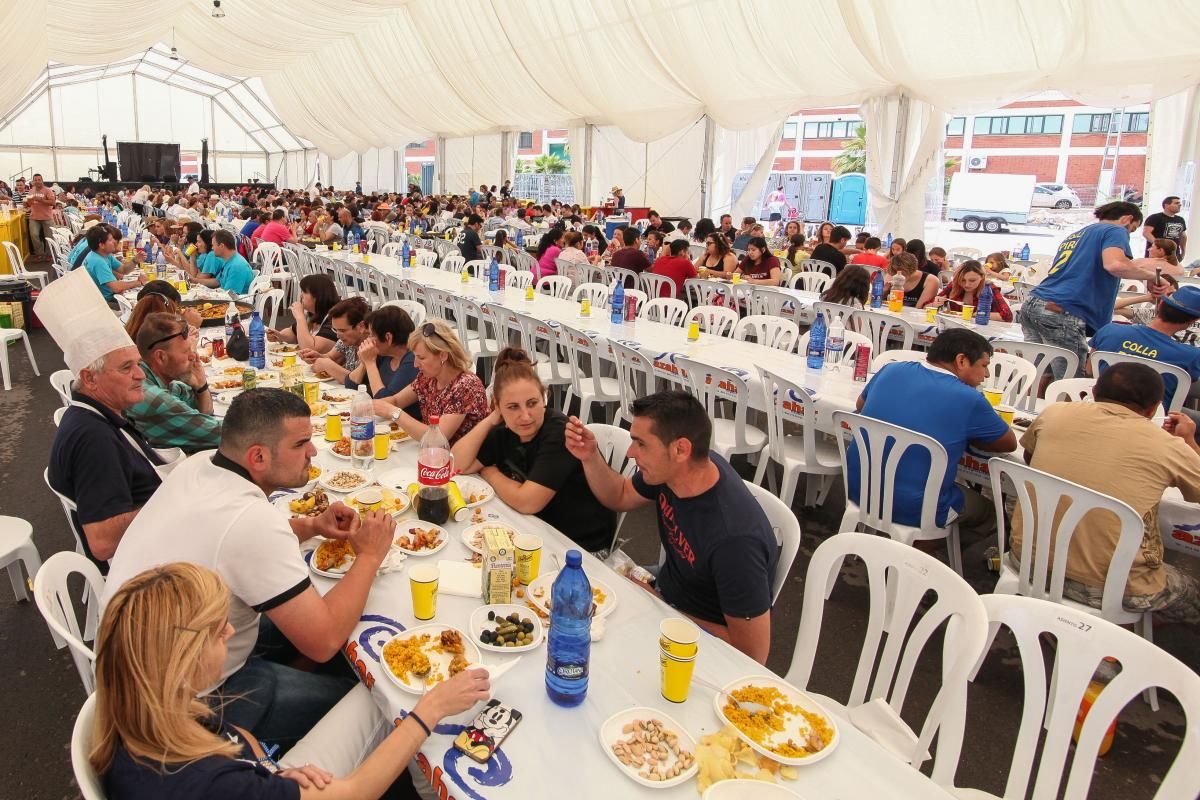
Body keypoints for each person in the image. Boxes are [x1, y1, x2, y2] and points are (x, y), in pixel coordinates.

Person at [102, 389, 400, 751]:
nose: (313, 451)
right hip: (185, 709)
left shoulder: (200, 466)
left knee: (327, 629)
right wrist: (369, 556)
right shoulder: (251, 521)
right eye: (302, 443)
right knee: (369, 696)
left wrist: (310, 527)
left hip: (134, 668)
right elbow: (323, 641)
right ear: (257, 456)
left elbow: (229, 544)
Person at [91, 562, 491, 799]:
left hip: (267, 775)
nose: (230, 632)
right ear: (180, 658)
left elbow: (230, 732)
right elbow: (354, 794)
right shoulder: (211, 784)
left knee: (378, 692)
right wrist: (431, 709)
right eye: (216, 631)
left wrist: (268, 767)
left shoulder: (147, 706)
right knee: (398, 704)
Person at [563, 391, 776, 663]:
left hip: (697, 644)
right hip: (665, 590)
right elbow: (620, 495)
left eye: (640, 444)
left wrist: (660, 606)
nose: (630, 453)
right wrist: (590, 456)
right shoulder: (678, 472)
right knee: (573, 600)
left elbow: (752, 654)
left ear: (680, 449)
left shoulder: (735, 542)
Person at [1015, 363, 1200, 623]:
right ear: (1153, 408)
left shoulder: (1054, 413)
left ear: (1093, 391)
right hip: (1113, 587)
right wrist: (1189, 440)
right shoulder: (1169, 446)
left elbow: (1029, 457)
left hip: (1025, 560)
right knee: (1192, 591)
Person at [42, 271, 166, 570]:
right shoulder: (93, 439)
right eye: (126, 368)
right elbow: (102, 542)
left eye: (138, 364)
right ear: (90, 378)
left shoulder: (98, 413)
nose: (140, 375)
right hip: (141, 568)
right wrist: (176, 503)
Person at [852, 328, 1017, 537]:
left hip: (859, 487)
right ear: (962, 361)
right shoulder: (969, 398)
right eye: (984, 366)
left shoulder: (890, 370)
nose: (986, 375)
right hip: (917, 508)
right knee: (994, 516)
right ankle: (927, 550)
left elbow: (861, 404)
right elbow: (1009, 444)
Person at [452, 348, 618, 554]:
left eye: (532, 403)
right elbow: (456, 464)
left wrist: (489, 472)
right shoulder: (503, 429)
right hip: (535, 528)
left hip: (579, 547)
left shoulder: (559, 432)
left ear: (544, 398)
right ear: (498, 406)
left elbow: (527, 502)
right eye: (513, 407)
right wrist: (492, 419)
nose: (525, 416)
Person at [1022, 201, 1178, 378]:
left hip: (1035, 303)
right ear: (1128, 219)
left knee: (1039, 376)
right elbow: (1115, 264)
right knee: (1070, 382)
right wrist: (1152, 276)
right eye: (1132, 229)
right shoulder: (1116, 230)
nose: (1128, 234)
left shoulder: (1078, 234)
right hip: (1060, 309)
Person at [373, 320, 488, 445]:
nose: (415, 364)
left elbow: (437, 438)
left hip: (457, 459)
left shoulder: (466, 386)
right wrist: (362, 407)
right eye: (415, 357)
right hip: (431, 453)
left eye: (421, 358)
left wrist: (394, 412)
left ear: (443, 356)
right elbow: (396, 400)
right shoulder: (428, 377)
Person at [1090, 285, 1200, 412]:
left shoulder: (1109, 331)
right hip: (1156, 419)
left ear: (1160, 305)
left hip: (1102, 408)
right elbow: (1183, 389)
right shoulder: (1191, 356)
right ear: (1194, 320)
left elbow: (1090, 369)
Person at [126, 312, 222, 454]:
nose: (194, 356)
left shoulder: (158, 379)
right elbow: (221, 435)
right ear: (160, 357)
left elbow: (202, 415)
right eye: (186, 351)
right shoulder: (152, 398)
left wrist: (201, 387)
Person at [345, 305, 420, 419]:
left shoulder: (413, 361)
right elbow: (351, 385)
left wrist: (370, 363)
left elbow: (384, 402)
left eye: (371, 335)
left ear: (388, 338)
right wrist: (365, 363)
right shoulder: (384, 354)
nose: (368, 340)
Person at [269, 273, 339, 354]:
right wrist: (279, 336)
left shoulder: (335, 319)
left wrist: (300, 317)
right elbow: (293, 333)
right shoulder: (312, 313)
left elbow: (311, 350)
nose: (301, 295)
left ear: (317, 296)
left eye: (304, 292)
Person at [304, 297, 369, 385]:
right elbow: (331, 357)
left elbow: (355, 381)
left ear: (361, 326)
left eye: (342, 330)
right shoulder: (347, 340)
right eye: (335, 330)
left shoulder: (372, 345)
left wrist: (327, 365)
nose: (338, 335)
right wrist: (317, 356)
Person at [82, 223, 146, 303]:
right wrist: (138, 283)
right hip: (106, 303)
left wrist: (135, 261)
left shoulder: (103, 254)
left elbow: (123, 270)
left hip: (109, 297)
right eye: (110, 240)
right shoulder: (98, 261)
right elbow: (117, 287)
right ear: (101, 245)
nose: (115, 242)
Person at [931, 260, 1014, 321]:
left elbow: (1007, 316)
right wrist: (934, 304)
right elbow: (926, 306)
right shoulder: (954, 285)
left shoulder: (989, 288)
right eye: (962, 280)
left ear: (982, 277)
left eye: (972, 280)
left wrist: (976, 314)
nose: (966, 284)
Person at [125, 280, 202, 339]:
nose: (175, 316)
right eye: (173, 311)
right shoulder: (151, 341)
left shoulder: (132, 327)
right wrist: (188, 327)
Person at [193, 229, 255, 295]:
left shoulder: (236, 266)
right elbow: (217, 282)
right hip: (226, 298)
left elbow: (229, 297)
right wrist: (194, 280)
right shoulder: (229, 260)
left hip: (235, 303)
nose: (212, 248)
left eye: (213, 245)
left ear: (222, 246)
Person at [1114, 273, 1178, 325]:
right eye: (1162, 295)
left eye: (1170, 294)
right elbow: (1111, 307)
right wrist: (1147, 298)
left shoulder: (1184, 314)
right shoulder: (1149, 314)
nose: (1167, 298)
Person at [23, 173, 56, 261]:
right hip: (34, 217)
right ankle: (39, 254)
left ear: (42, 180)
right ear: (33, 181)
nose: (37, 181)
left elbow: (53, 203)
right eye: (35, 180)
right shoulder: (31, 191)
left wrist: (42, 200)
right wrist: (26, 203)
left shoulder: (48, 190)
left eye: (39, 180)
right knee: (34, 235)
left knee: (49, 237)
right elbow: (29, 203)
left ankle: (49, 254)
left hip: (47, 217)